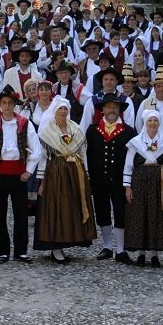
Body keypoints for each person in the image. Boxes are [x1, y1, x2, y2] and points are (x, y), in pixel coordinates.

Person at [33, 97, 96, 264]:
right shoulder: (47, 131)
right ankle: (56, 248)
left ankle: (68, 239)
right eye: (60, 109)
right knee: (56, 208)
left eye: (65, 109)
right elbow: (43, 157)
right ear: (54, 111)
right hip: (55, 173)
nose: (62, 111)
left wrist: (85, 175)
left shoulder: (75, 128)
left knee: (71, 208)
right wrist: (42, 182)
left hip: (74, 172)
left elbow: (82, 153)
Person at [0, 86, 42, 263]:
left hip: (19, 175)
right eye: (4, 103)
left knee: (21, 214)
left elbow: (36, 149)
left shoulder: (24, 123)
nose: (7, 106)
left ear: (14, 105)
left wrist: (29, 171)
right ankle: (2, 251)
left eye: (10, 103)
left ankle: (21, 251)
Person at [123, 109, 163, 267]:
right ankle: (141, 253)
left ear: (159, 123)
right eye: (150, 120)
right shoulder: (135, 142)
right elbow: (128, 166)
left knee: (157, 216)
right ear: (145, 123)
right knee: (140, 216)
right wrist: (127, 187)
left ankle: (155, 254)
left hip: (160, 183)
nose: (153, 123)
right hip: (139, 182)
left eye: (155, 120)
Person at [86, 93, 137, 264]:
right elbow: (88, 153)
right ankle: (107, 246)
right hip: (99, 178)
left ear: (120, 110)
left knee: (120, 212)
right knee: (102, 211)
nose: (112, 110)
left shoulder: (128, 131)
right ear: (102, 109)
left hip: (119, 179)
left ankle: (121, 250)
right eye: (108, 107)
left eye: (115, 107)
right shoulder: (93, 130)